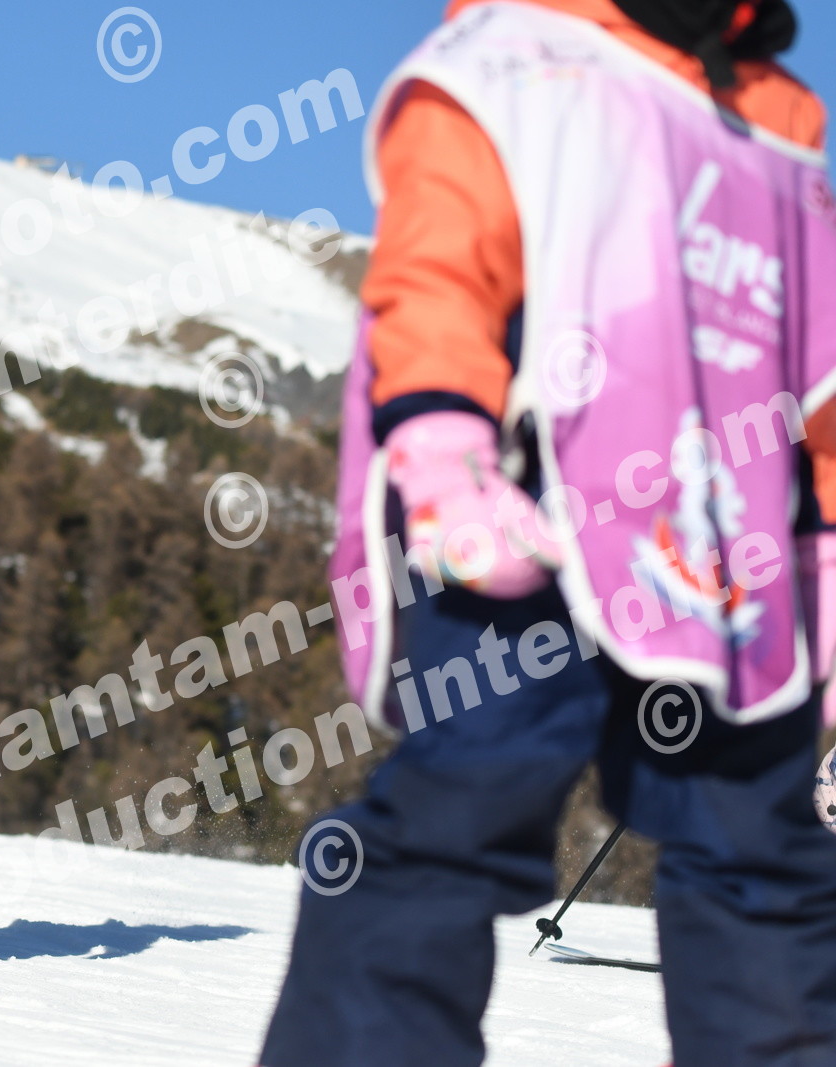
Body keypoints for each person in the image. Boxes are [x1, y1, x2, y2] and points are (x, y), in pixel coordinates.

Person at [263, 1, 836, 1064]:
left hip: (724, 555)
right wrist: (443, 448)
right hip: (525, 514)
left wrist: (826, 544)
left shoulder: (777, 115)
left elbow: (818, 368)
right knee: (466, 799)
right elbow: (437, 268)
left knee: (757, 843)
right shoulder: (516, 55)